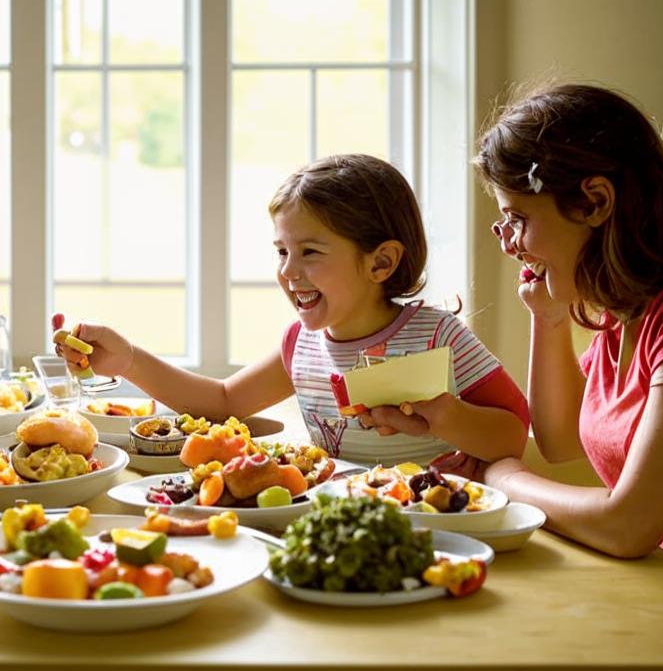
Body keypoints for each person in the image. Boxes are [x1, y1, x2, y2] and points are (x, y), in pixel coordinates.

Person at [452, 83, 663, 612]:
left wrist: (506, 480)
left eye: (518, 218)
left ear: (594, 201)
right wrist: (546, 319)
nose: (507, 241)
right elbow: (560, 439)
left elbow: (627, 524)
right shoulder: (630, 310)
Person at [54, 154, 529, 466]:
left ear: (380, 262)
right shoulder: (300, 346)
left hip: (436, 523)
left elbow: (513, 433)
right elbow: (221, 403)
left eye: (311, 253)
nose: (289, 271)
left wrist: (444, 417)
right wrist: (130, 360)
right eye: (282, 252)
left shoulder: (436, 335)